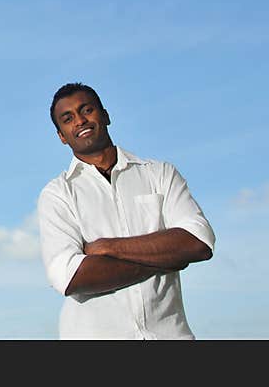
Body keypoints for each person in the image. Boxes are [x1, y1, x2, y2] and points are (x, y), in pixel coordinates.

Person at [37, 82, 215, 339]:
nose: (80, 121)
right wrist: (166, 258)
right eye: (68, 118)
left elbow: (198, 242)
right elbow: (71, 277)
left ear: (105, 115)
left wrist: (109, 247)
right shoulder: (57, 194)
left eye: (87, 110)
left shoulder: (160, 174)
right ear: (62, 136)